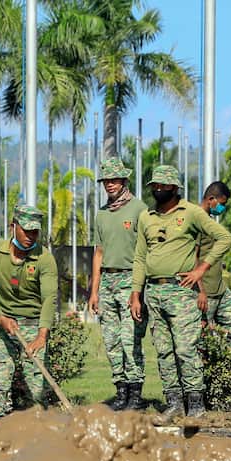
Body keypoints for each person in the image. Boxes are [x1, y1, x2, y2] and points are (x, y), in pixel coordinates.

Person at [131, 164, 231, 420]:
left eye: (163, 186)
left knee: (186, 349)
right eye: (154, 185)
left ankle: (196, 404)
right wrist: (136, 293)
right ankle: (174, 403)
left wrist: (201, 270)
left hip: (180, 291)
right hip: (154, 292)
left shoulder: (191, 213)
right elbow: (140, 257)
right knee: (164, 351)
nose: (157, 189)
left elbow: (224, 238)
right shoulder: (146, 216)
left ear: (175, 188)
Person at [0, 204, 58, 423]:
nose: (30, 236)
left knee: (37, 389)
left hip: (34, 327)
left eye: (35, 231)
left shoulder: (44, 258)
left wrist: (42, 336)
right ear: (13, 226)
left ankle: (39, 438)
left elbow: (49, 298)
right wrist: (1, 318)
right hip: (3, 326)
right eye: (26, 230)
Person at [89, 157, 148, 411]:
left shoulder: (139, 209)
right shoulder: (102, 214)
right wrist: (94, 292)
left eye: (114, 180)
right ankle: (121, 391)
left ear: (124, 181)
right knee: (111, 341)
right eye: (106, 181)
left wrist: (138, 290)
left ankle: (135, 393)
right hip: (107, 283)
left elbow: (144, 252)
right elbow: (98, 253)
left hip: (129, 280)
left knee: (129, 339)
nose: (109, 185)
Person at [199, 181, 231, 362]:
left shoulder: (209, 221)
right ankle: (205, 385)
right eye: (222, 203)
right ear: (211, 199)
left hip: (219, 290)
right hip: (204, 293)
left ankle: (230, 375)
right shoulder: (196, 221)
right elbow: (192, 258)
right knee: (202, 341)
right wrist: (200, 290)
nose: (222, 208)